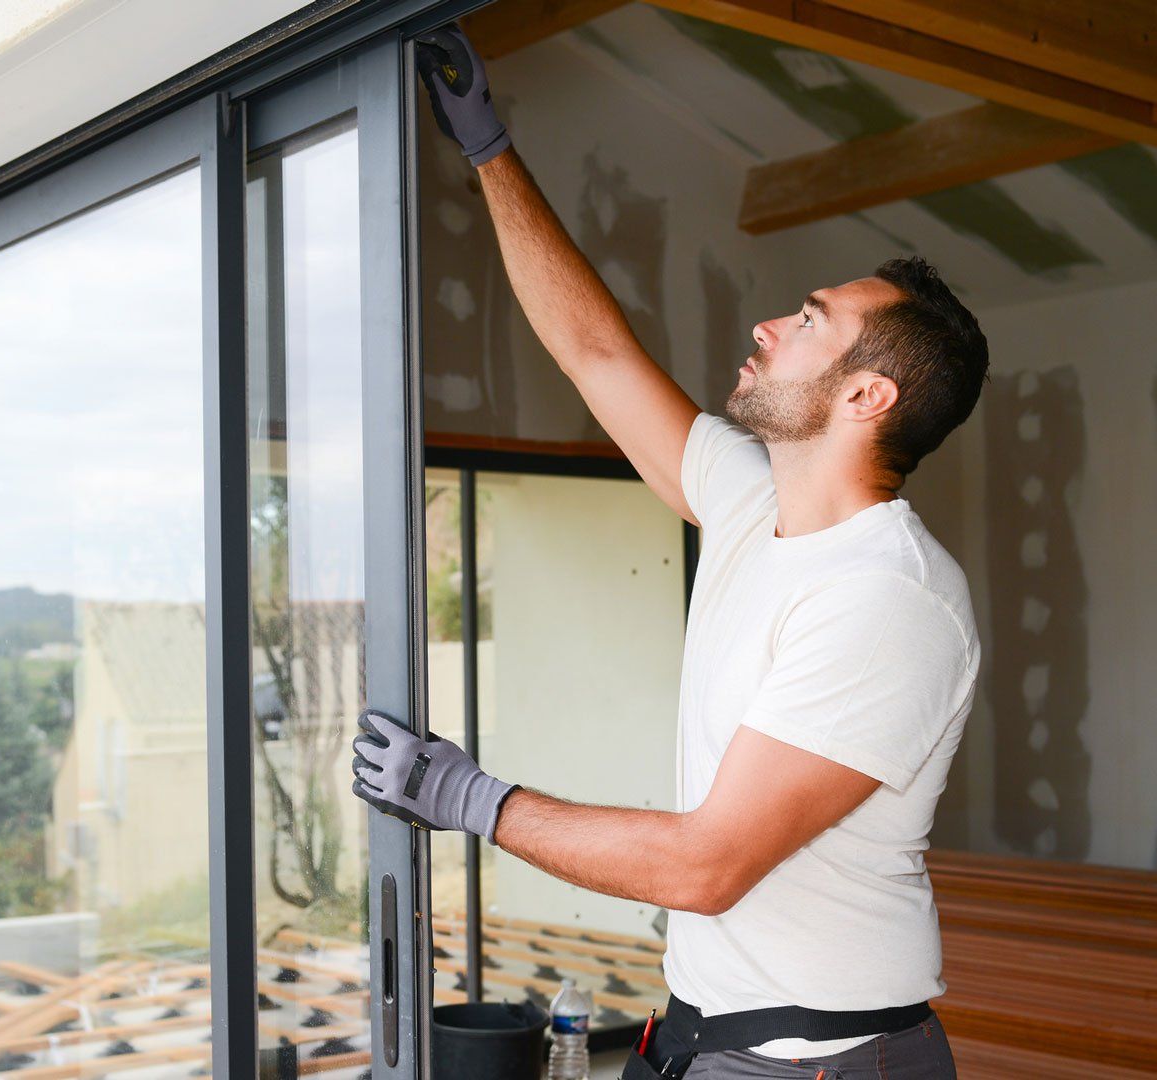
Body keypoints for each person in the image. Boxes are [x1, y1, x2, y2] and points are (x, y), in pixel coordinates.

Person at [350, 25, 991, 1080]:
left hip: (816, 1064)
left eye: (811, 320)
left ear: (867, 397)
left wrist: (473, 802)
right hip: (712, 1039)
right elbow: (596, 354)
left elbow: (707, 865)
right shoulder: (753, 503)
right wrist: (488, 149)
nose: (772, 324)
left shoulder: (889, 598)